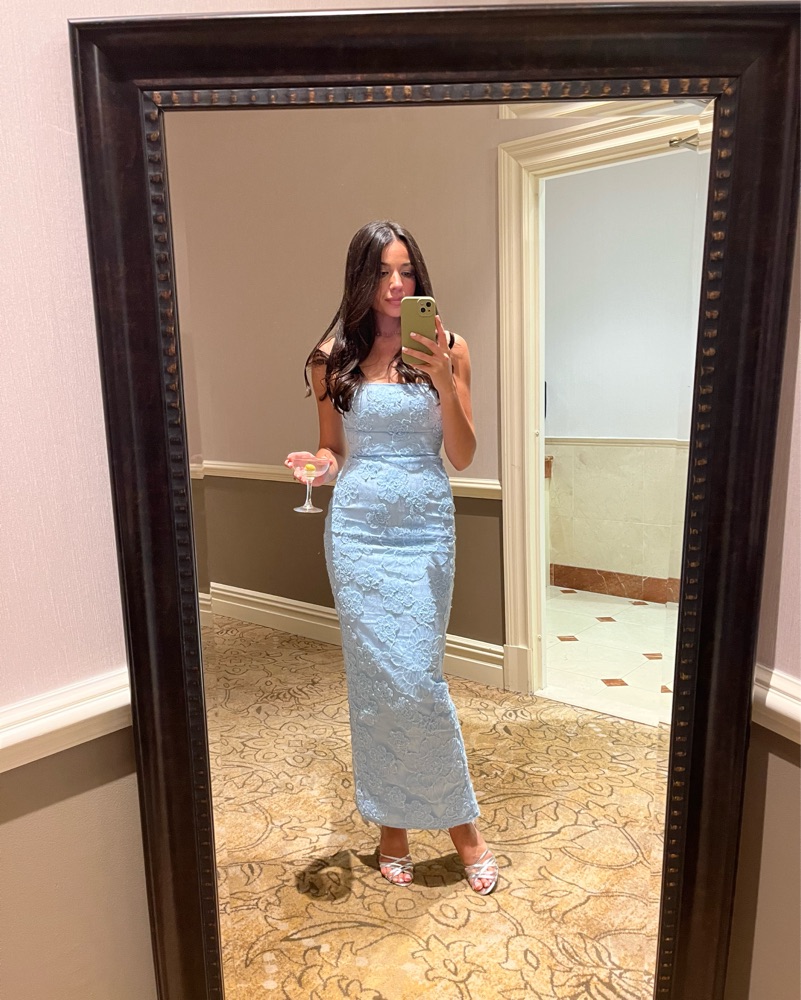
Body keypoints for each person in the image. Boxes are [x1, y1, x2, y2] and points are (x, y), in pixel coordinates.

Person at [284, 220, 498, 894]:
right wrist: (316, 466)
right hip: (357, 533)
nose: (397, 285)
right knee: (376, 682)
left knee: (418, 680)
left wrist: (443, 381)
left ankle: (464, 829)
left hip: (425, 530)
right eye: (382, 273)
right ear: (360, 279)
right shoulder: (330, 358)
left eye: (406, 271)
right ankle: (392, 830)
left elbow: (462, 454)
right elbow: (333, 449)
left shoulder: (450, 347)